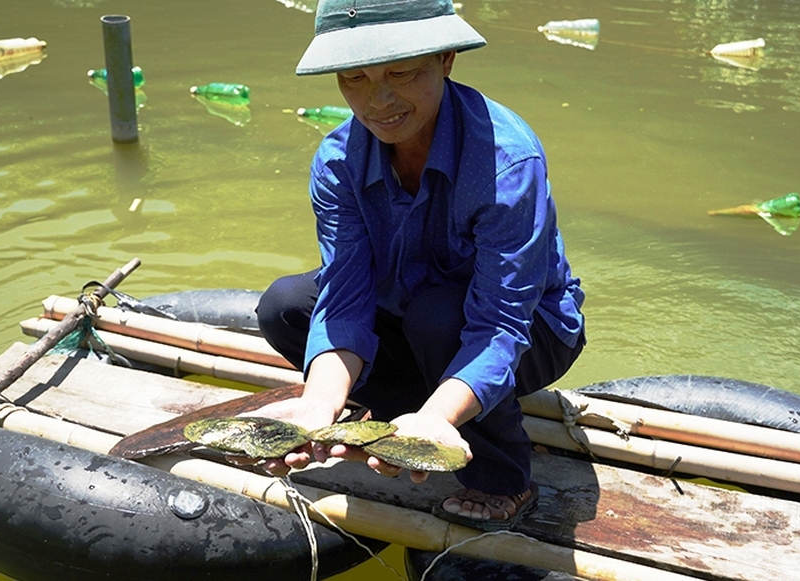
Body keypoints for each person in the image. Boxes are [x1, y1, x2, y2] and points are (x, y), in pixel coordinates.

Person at [251, 0, 586, 532]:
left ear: (446, 59)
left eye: (401, 73)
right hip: (409, 314)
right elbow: (345, 297)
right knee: (285, 306)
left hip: (529, 330)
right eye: (353, 78)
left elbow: (502, 323)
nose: (378, 101)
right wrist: (318, 407)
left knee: (437, 315)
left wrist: (437, 418)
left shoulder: (507, 162)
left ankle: (504, 477)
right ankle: (400, 418)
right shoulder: (337, 162)